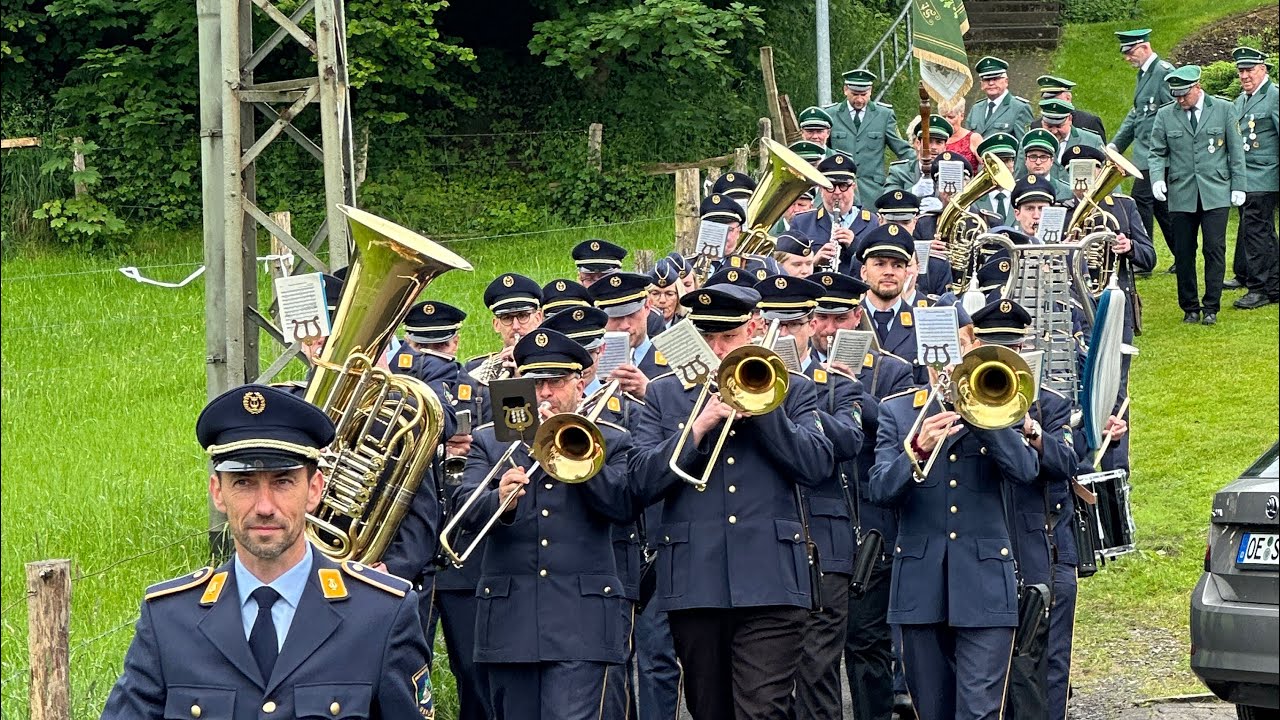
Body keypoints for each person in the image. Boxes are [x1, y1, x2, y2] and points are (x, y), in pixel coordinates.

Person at [102, 384, 433, 719]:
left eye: (283, 481)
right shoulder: (170, 619)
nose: (264, 506)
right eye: (243, 482)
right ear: (218, 492)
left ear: (314, 489)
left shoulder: (380, 616)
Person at [629, 284, 835, 720]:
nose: (718, 349)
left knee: (762, 710)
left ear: (756, 328)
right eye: (708, 337)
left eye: (729, 337)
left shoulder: (792, 387)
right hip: (695, 581)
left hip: (774, 581)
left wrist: (764, 407)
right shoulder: (666, 394)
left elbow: (816, 465)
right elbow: (640, 481)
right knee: (711, 709)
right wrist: (697, 427)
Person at [457, 329, 637, 720]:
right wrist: (499, 500)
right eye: (535, 382)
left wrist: (574, 450)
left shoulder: (610, 439)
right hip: (509, 625)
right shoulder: (492, 441)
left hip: (582, 623)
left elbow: (621, 505)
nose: (544, 394)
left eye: (555, 382)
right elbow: (462, 511)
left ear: (579, 382)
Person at [867, 334, 1041, 720]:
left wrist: (982, 417)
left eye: (958, 346)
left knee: (979, 710)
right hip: (919, 584)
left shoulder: (998, 404)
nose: (947, 359)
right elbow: (879, 488)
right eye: (938, 348)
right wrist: (918, 449)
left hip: (984, 584)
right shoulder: (897, 412)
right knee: (932, 709)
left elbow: (1025, 471)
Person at [756, 274, 865, 720]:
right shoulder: (735, 383)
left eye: (793, 324)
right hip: (765, 543)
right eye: (773, 324)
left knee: (818, 668)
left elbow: (851, 438)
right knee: (765, 676)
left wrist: (798, 406)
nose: (783, 335)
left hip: (824, 541)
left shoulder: (835, 382)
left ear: (809, 327)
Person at [809, 271, 915, 720]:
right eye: (821, 318)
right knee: (815, 650)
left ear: (857, 316)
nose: (830, 329)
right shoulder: (791, 373)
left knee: (868, 642)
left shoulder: (891, 369)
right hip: (816, 520)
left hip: (872, 522)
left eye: (839, 317)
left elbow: (901, 438)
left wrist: (854, 393)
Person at [391, 301, 493, 720]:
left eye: (437, 345)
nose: (429, 355)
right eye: (420, 347)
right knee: (399, 670)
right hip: (402, 549)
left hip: (462, 550)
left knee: (474, 669)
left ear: (454, 343)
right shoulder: (391, 393)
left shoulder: (480, 392)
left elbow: (501, 459)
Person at [1148, 64, 1247, 326]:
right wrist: (1157, 179)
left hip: (1215, 191)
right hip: (1182, 193)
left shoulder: (1224, 109)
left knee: (1214, 249)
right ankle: (1190, 306)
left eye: (1184, 95)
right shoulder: (1166, 115)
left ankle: (1211, 306)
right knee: (1183, 251)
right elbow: (1157, 151)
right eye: (1176, 96)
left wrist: (1239, 185)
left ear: (1197, 87)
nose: (1180, 100)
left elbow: (1236, 151)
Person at [1109, 28, 1177, 268]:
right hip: (1146, 156)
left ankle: (1141, 258)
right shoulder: (1145, 74)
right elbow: (1136, 116)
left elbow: (1173, 115)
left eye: (1130, 52)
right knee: (1162, 208)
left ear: (1145, 47)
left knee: (1139, 201)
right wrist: (1116, 145)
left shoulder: (1163, 73)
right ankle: (1182, 254)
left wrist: (1166, 153)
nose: (1127, 57)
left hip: (1158, 157)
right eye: (1125, 53)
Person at [1228, 46, 1279, 309]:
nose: (1244, 76)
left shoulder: (1274, 97)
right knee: (1260, 231)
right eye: (1241, 71)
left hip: (1265, 176)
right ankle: (1272, 283)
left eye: (1249, 70)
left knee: (1257, 231)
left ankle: (1259, 289)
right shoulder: (1243, 99)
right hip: (1246, 176)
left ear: (1263, 70)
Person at [825, 68, 917, 207]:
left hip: (873, 191)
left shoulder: (884, 115)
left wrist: (923, 165)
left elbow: (901, 149)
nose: (860, 99)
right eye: (855, 94)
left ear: (871, 91)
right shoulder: (831, 114)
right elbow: (823, 151)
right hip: (840, 189)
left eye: (864, 94)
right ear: (845, 90)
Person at [790, 152, 881, 276]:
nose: (837, 192)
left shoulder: (872, 221)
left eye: (844, 186)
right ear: (821, 189)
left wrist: (855, 245)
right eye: (830, 186)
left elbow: (879, 266)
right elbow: (788, 267)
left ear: (853, 187)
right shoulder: (802, 222)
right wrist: (813, 263)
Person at [464, 273, 544, 382]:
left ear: (538, 318)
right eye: (507, 318)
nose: (516, 326)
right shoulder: (475, 370)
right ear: (496, 324)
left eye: (523, 316)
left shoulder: (557, 364)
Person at [966, 56, 1034, 141]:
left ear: (1006, 81)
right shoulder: (976, 108)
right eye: (987, 80)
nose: (991, 83)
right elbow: (967, 141)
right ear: (981, 84)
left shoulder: (1019, 108)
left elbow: (1024, 144)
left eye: (995, 79)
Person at [1034, 74, 1107, 141]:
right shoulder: (1036, 126)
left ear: (1068, 98)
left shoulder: (1089, 123)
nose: (1050, 103)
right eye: (1046, 99)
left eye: (1055, 100)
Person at [972, 133, 1019, 226]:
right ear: (985, 166)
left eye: (1006, 161)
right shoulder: (974, 201)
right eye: (997, 162)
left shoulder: (1022, 197)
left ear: (1013, 163)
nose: (1002, 167)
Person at [1039, 98, 1104, 164]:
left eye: (1059, 126)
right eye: (1049, 126)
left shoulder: (1092, 141)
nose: (1054, 131)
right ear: (1042, 122)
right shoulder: (1033, 140)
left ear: (1070, 119)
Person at [1016, 130, 1072, 202]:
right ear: (1025, 160)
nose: (1038, 162)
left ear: (1051, 161)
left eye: (1043, 157)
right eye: (1033, 157)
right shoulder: (1014, 188)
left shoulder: (1067, 191)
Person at [941, 96, 983, 168]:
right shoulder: (935, 139)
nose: (946, 121)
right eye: (943, 117)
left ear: (962, 116)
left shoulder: (973, 138)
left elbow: (986, 165)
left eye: (951, 117)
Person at [648, 256, 686, 332]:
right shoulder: (638, 331)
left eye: (669, 294)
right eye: (655, 294)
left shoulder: (686, 328)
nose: (662, 300)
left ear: (678, 297)